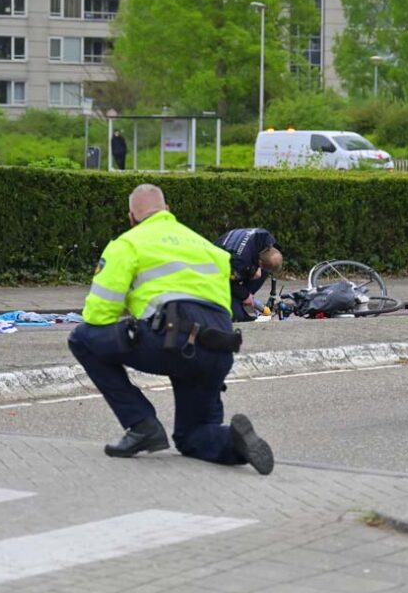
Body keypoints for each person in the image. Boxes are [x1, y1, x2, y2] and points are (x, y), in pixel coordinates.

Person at [67, 184, 274, 474]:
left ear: (131, 218)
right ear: (167, 210)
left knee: (82, 338)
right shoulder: (206, 246)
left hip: (174, 340)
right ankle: (234, 442)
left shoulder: (128, 244)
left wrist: (131, 313)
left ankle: (142, 424)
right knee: (193, 434)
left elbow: (99, 315)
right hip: (220, 347)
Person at [214, 228, 283, 322]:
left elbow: (271, 253)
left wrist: (256, 268)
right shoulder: (239, 261)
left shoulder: (265, 236)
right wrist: (245, 296)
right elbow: (229, 282)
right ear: (260, 262)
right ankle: (237, 301)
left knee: (263, 271)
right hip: (217, 271)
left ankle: (242, 298)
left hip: (237, 256)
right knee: (237, 316)